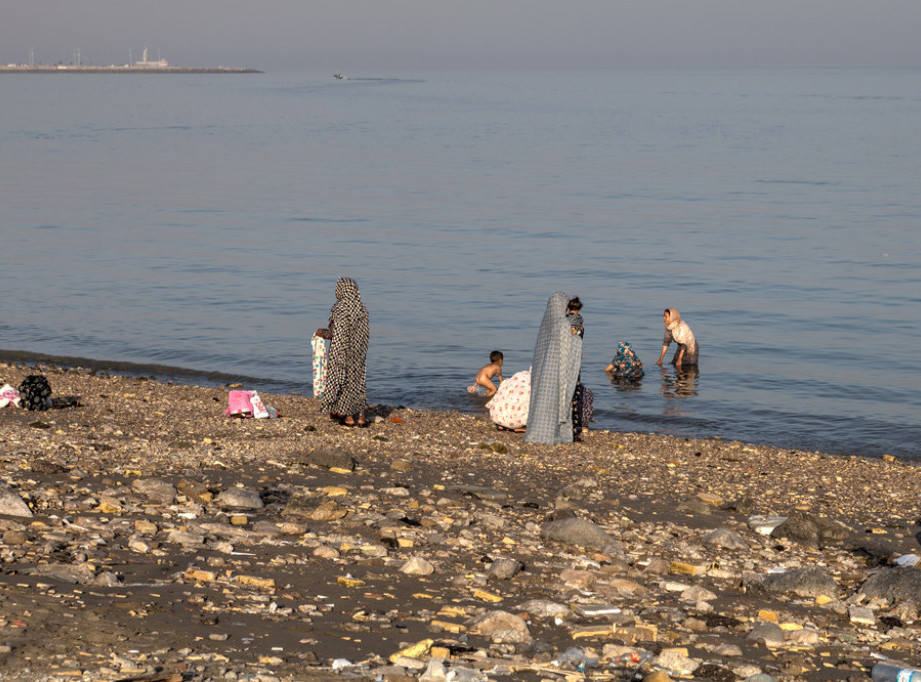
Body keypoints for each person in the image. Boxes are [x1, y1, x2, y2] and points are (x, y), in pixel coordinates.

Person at [524, 292, 583, 444]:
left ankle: (536, 433)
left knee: (541, 401)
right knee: (557, 402)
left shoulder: (547, 324)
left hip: (542, 372)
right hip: (558, 372)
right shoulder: (563, 324)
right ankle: (554, 435)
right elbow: (566, 350)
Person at [316, 277, 370, 427]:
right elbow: (364, 334)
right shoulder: (362, 309)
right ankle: (361, 417)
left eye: (338, 288)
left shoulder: (340, 308)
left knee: (342, 381)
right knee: (358, 381)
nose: (336, 291)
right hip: (359, 351)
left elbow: (336, 333)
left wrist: (322, 333)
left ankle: (348, 418)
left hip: (341, 351)